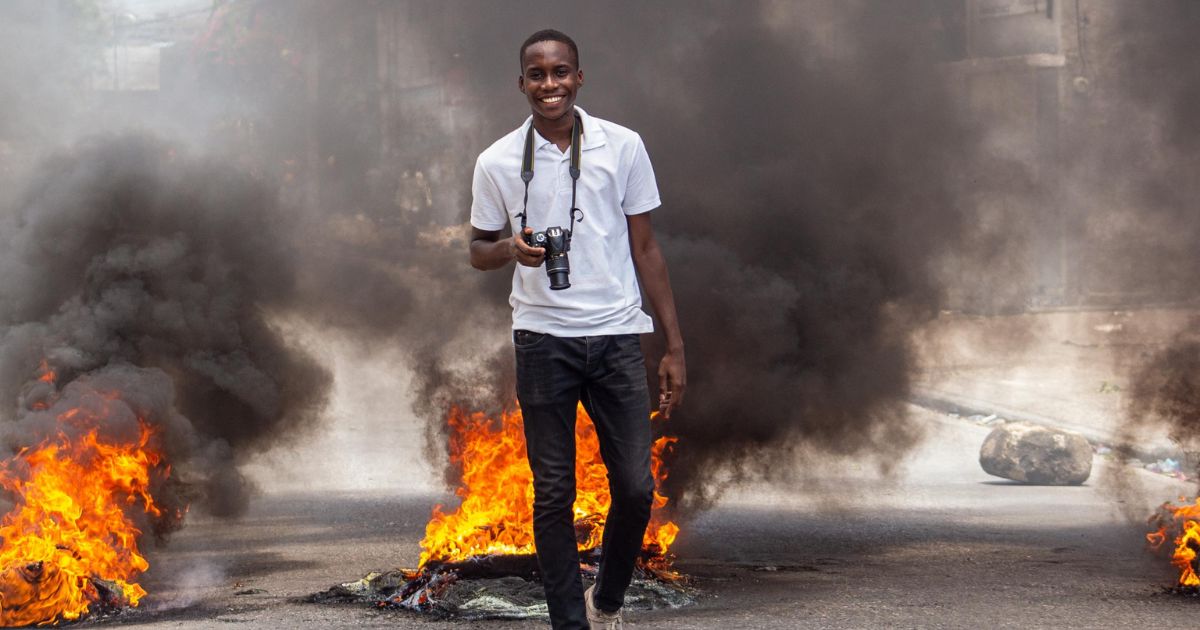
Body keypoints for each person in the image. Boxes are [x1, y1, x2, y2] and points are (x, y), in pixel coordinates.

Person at [468, 29, 686, 630]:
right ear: (521, 85)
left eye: (560, 72)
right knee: (553, 495)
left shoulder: (623, 146)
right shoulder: (497, 161)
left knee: (637, 489)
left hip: (616, 337)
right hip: (542, 341)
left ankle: (608, 600)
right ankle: (570, 622)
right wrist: (512, 249)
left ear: (579, 78)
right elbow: (477, 251)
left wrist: (673, 344)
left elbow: (647, 249)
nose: (549, 85)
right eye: (536, 75)